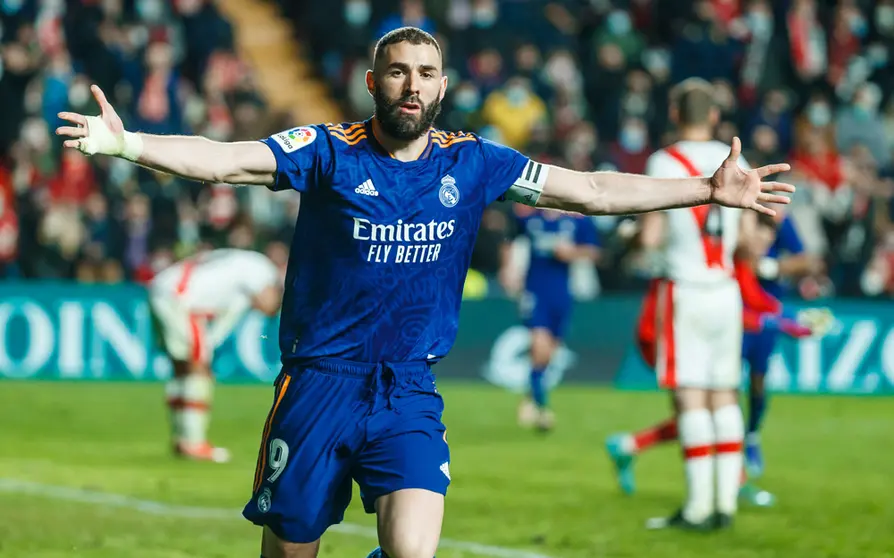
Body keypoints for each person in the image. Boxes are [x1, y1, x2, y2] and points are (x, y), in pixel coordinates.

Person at [56, 27, 793, 558]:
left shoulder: (475, 162)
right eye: (398, 70)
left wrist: (704, 189)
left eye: (427, 72)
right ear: (374, 82)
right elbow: (225, 162)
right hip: (317, 386)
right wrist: (129, 144)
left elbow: (594, 190)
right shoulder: (326, 151)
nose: (413, 83)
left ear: (444, 86)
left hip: (407, 389)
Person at [610, 78, 757, 531]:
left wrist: (628, 236)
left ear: (675, 115)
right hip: (726, 289)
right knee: (725, 396)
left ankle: (697, 509)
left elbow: (651, 236)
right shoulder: (737, 159)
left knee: (691, 398)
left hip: (684, 289)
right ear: (714, 116)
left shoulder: (662, 160)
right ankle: (725, 505)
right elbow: (748, 242)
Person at [149, 248, 283, 462]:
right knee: (197, 370)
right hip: (181, 297)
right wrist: (203, 362)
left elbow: (218, 330)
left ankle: (181, 440)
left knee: (182, 368)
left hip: (165, 287)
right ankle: (194, 442)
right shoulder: (262, 269)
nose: (267, 310)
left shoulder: (239, 285)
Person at [502, 206, 600, 432]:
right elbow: (508, 236)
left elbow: (595, 251)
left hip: (563, 294)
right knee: (539, 345)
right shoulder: (531, 221)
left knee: (549, 353)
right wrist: (508, 267)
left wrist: (572, 253)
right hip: (534, 293)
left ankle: (529, 396)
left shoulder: (576, 222)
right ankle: (542, 408)